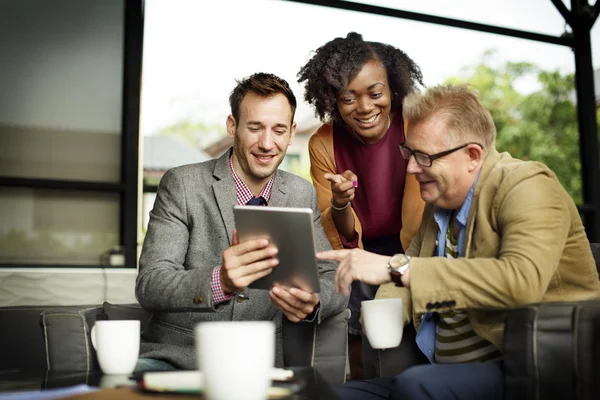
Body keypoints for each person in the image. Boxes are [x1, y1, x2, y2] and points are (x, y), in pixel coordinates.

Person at [318, 84, 600, 399]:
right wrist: (382, 314)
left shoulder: (527, 185)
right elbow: (403, 273)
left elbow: (523, 280)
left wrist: (398, 268)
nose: (410, 168)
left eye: (424, 156)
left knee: (416, 386)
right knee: (334, 395)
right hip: (439, 371)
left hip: (529, 368)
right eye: (408, 152)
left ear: (472, 155)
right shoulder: (438, 203)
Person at [135, 72, 348, 371]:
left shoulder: (301, 193)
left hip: (259, 365)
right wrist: (220, 281)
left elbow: (335, 278)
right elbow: (150, 284)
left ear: (291, 133)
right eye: (255, 127)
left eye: (278, 130)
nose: (266, 143)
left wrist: (313, 301)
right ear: (232, 126)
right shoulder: (182, 183)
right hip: (177, 359)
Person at [297, 32, 426, 379]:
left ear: (393, 89)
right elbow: (340, 235)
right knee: (354, 305)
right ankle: (363, 384)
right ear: (332, 100)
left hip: (416, 246)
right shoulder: (323, 143)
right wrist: (341, 203)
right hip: (359, 247)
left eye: (375, 93)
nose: (365, 107)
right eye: (348, 97)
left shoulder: (417, 123)